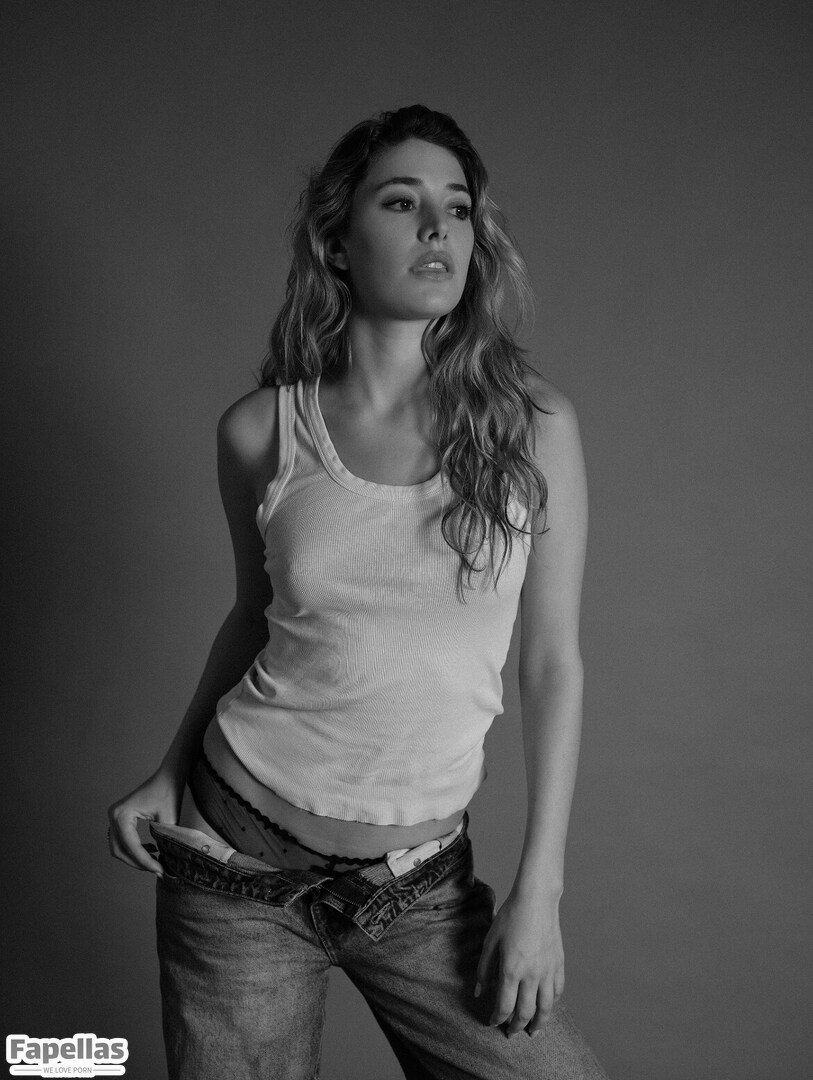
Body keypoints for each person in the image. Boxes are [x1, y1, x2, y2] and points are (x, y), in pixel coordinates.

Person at [107, 104, 610, 1080]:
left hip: (420, 889)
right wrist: (169, 770)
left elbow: (552, 664)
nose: (438, 228)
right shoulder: (261, 431)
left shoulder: (533, 425)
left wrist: (540, 891)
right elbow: (255, 620)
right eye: (402, 202)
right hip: (233, 870)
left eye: (457, 208)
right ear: (337, 242)